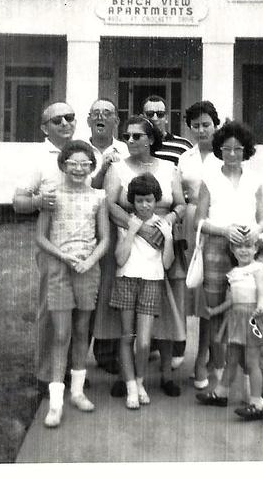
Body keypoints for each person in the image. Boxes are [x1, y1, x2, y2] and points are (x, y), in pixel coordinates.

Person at [96, 115, 186, 397]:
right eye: (127, 136)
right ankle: (127, 377)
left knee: (168, 307)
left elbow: (181, 204)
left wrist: (168, 221)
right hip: (130, 240)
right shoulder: (118, 169)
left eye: (136, 136)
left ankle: (167, 374)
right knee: (126, 314)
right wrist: (143, 230)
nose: (130, 140)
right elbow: (110, 204)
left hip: (165, 241)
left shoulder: (170, 168)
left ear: (150, 139)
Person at [35, 140, 110, 427]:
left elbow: (104, 238)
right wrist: (64, 256)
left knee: (81, 332)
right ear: (63, 165)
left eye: (85, 164)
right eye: (73, 164)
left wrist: (90, 261)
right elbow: (40, 237)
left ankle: (77, 392)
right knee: (61, 334)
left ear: (92, 167)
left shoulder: (98, 197)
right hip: (60, 268)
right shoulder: (52, 196)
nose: (79, 169)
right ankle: (55, 403)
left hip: (87, 269)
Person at [193, 120, 263, 392]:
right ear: (219, 149)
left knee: (247, 311)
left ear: (246, 150)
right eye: (227, 149)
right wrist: (225, 231)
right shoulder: (210, 180)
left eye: (238, 149)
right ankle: (219, 376)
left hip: (246, 253)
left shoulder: (255, 180)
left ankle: (249, 380)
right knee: (214, 314)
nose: (232, 154)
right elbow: (198, 221)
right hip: (216, 249)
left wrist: (253, 232)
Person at [13, 102, 77, 387]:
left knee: (77, 310)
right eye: (57, 120)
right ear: (44, 128)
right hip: (52, 244)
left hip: (83, 244)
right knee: (51, 309)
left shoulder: (81, 150)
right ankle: (45, 374)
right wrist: (39, 201)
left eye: (70, 118)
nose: (65, 123)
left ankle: (70, 371)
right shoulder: (38, 158)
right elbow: (18, 202)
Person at [195, 237, 263, 421]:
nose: (244, 250)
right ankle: (221, 393)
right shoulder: (233, 273)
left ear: (256, 248)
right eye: (239, 246)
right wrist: (213, 310)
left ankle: (257, 402)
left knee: (251, 362)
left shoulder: (259, 270)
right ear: (232, 250)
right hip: (235, 320)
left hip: (252, 320)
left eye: (248, 246)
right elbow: (231, 300)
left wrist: (261, 307)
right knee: (231, 359)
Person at [110, 173, 175, 409]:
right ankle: (130, 388)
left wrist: (168, 238)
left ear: (156, 200)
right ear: (132, 201)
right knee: (127, 336)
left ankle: (139, 382)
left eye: (149, 200)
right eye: (139, 201)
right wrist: (131, 231)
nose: (144, 205)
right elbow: (119, 258)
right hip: (127, 279)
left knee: (145, 343)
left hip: (152, 281)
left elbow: (167, 264)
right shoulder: (127, 221)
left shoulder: (163, 224)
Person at [142, 94, 192, 367]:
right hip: (145, 227)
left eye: (160, 114)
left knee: (175, 285)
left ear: (167, 116)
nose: (155, 119)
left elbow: (183, 187)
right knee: (148, 285)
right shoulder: (137, 145)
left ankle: (177, 345)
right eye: (149, 114)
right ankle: (149, 343)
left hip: (173, 223)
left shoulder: (182, 146)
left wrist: (171, 221)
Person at [80, 97, 128, 374]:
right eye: (95, 113)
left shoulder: (125, 148)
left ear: (116, 120)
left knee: (110, 288)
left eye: (107, 113)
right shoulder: (78, 150)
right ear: (88, 120)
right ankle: (78, 357)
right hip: (85, 231)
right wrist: (102, 169)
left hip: (114, 227)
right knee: (86, 289)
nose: (101, 117)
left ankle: (106, 353)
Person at [176, 101, 222, 386]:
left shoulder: (224, 156)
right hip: (190, 223)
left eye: (206, 124)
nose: (201, 130)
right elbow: (179, 191)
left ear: (215, 125)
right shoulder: (186, 157)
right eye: (196, 125)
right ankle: (175, 351)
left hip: (216, 224)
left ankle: (202, 359)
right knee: (184, 287)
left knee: (210, 294)